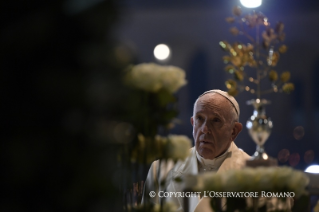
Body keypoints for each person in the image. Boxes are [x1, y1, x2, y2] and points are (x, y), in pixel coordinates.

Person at [141, 89, 251, 212]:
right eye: (199, 118)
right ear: (193, 123)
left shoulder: (257, 176)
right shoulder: (161, 169)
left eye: (215, 120)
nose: (204, 129)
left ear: (234, 131)